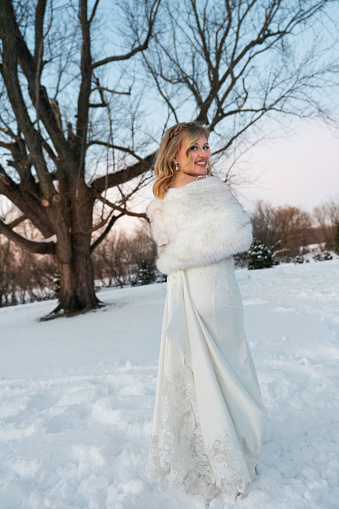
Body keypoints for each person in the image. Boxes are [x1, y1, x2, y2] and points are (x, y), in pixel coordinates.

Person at [146, 121, 266, 505]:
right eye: (193, 148)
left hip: (194, 288)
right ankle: (234, 447)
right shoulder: (212, 191)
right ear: (175, 155)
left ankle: (218, 443)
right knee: (230, 366)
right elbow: (237, 235)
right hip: (209, 289)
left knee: (204, 368)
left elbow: (171, 247)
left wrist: (184, 252)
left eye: (205, 146)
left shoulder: (161, 198)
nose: (202, 154)